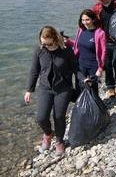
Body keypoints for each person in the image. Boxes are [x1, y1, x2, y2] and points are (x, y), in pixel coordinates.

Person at [24, 26, 78, 155]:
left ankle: (59, 141)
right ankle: (48, 135)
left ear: (55, 39)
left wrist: (84, 80)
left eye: (48, 44)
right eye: (43, 43)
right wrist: (29, 90)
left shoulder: (66, 50)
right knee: (41, 117)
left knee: (59, 116)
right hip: (45, 88)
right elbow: (34, 71)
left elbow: (76, 68)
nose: (45, 46)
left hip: (63, 88)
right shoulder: (39, 50)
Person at [92, 0, 116, 98]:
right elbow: (90, 22)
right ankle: (110, 86)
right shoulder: (96, 8)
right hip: (104, 40)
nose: (102, 0)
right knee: (107, 64)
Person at [73, 9, 106, 94]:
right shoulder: (80, 30)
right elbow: (77, 44)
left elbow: (103, 52)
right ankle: (80, 106)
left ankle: (95, 106)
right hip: (81, 64)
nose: (85, 22)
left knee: (93, 89)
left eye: (87, 20)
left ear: (93, 19)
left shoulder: (100, 33)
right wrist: (67, 41)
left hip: (93, 65)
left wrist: (100, 69)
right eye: (83, 20)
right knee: (79, 87)